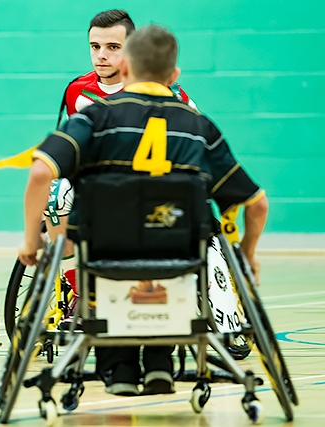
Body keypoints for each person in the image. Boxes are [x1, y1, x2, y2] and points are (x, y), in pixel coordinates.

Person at [19, 24, 268, 396]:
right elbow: (257, 204)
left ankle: (119, 369)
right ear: (174, 76)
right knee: (164, 259)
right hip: (180, 254)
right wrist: (247, 254)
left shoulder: (95, 117)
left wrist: (29, 241)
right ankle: (159, 365)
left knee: (110, 260)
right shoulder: (197, 126)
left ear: (125, 68)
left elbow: (41, 171)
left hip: (105, 250)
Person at [46, 10, 194, 300]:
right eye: (95, 47)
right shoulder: (77, 91)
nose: (102, 55)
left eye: (113, 47)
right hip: (101, 187)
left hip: (151, 189)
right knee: (55, 191)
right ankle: (76, 282)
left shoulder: (163, 90)